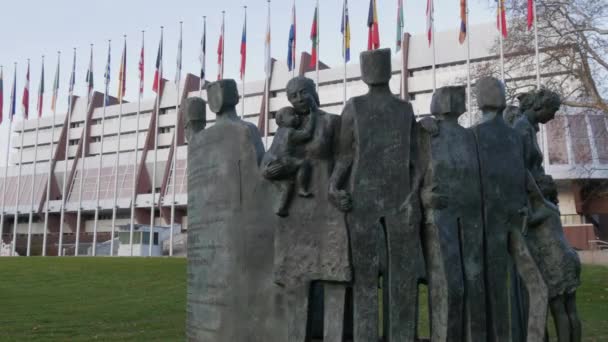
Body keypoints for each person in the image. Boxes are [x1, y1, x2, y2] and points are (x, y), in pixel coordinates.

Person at [329, 48, 424, 342]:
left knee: (402, 279)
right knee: (365, 278)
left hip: (399, 198)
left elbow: (416, 160)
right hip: (362, 200)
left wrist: (413, 196)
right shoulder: (354, 107)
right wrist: (334, 187)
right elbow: (343, 156)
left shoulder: (404, 110)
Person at [262, 77, 351, 342]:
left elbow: (346, 158)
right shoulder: (285, 128)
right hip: (295, 212)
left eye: (303, 92)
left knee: (334, 270)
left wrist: (336, 187)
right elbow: (267, 163)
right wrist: (270, 170)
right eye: (293, 96)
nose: (299, 98)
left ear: (314, 92)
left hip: (326, 203)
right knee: (296, 276)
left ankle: (335, 334)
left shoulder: (332, 122)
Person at [262, 106, 316, 216]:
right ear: (282, 120)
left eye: (296, 114)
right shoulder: (290, 132)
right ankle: (302, 188)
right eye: (292, 115)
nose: (296, 117)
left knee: (287, 185)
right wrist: (312, 118)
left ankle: (281, 208)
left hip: (270, 163)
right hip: (284, 161)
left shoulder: (278, 132)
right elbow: (307, 134)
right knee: (304, 163)